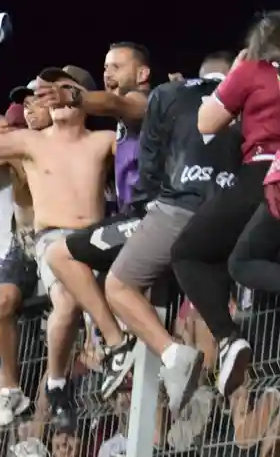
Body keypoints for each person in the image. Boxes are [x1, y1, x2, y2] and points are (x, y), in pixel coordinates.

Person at [0, 65, 122, 432]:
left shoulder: (105, 139)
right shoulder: (28, 143)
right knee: (58, 298)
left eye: (61, 91)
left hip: (94, 238)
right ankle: (29, 387)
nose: (50, 100)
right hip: (45, 240)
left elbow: (129, 119)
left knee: (105, 293)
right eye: (47, 93)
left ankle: (63, 380)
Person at [104, 52, 241, 414]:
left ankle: (172, 353)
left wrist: (146, 203)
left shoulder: (168, 92)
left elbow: (151, 163)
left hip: (181, 205)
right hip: (237, 208)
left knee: (118, 285)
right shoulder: (249, 91)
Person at [33, 48, 152, 404]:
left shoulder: (137, 106)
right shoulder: (36, 140)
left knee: (87, 273)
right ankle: (105, 357)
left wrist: (77, 98)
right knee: (73, 268)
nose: (109, 73)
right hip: (124, 221)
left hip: (152, 215)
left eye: (116, 66)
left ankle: (120, 347)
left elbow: (117, 106)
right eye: (105, 68)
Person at [171, 13, 280, 400]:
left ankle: (229, 337)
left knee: (190, 253)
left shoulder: (253, 69)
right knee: (249, 259)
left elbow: (206, 122)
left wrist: (235, 72)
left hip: (265, 172)